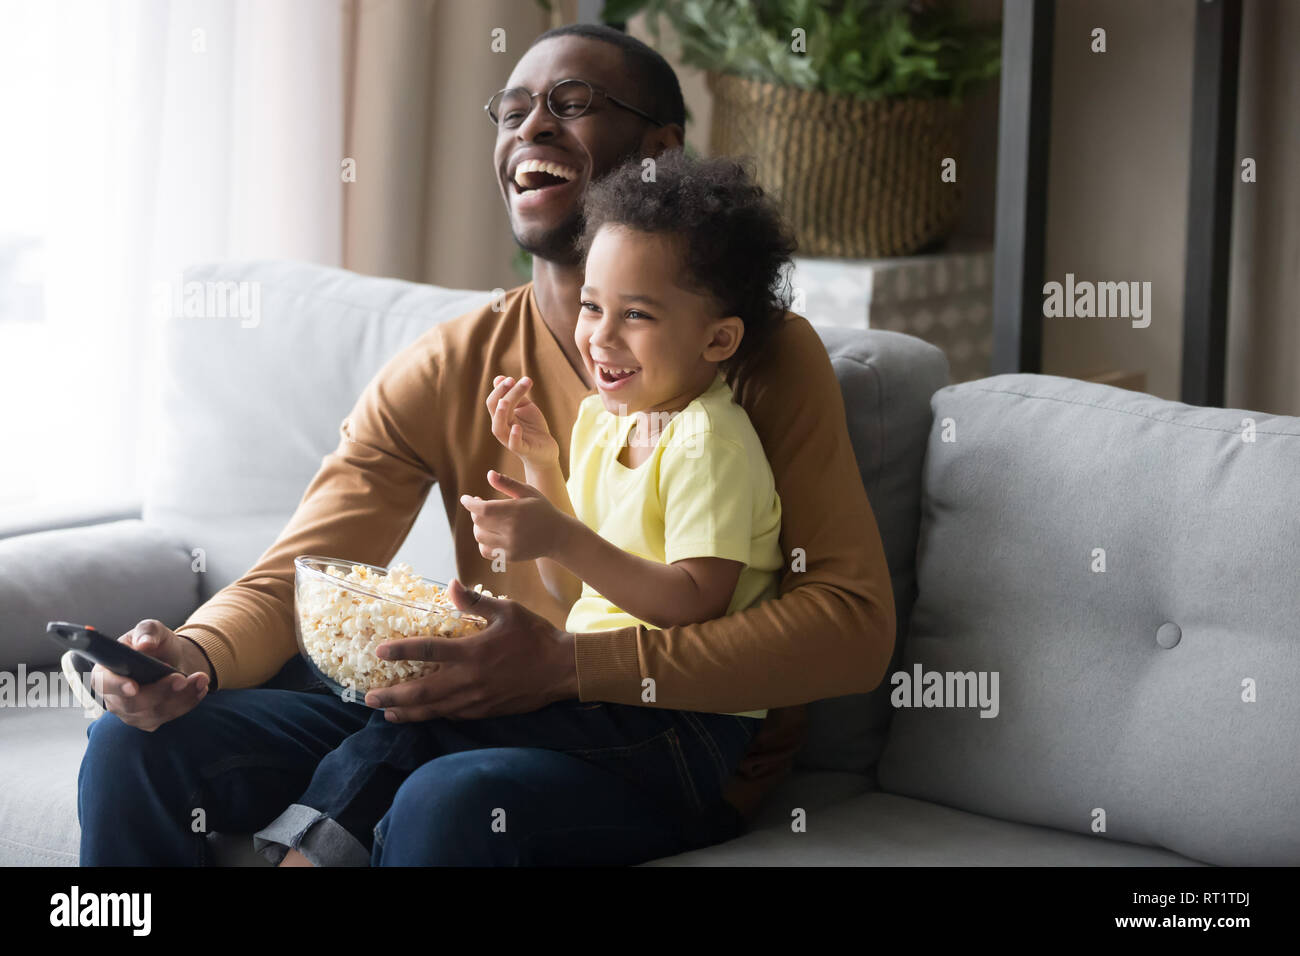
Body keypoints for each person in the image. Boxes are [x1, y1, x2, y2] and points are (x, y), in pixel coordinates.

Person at [77, 23, 895, 867]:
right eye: (511, 109)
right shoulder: (449, 364)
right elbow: (303, 573)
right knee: (137, 746)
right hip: (464, 712)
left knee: (449, 800)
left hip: (649, 743)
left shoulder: (758, 355)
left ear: (659, 149)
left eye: (572, 104)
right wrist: (188, 656)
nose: (530, 127)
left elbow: (852, 629)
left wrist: (568, 666)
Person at [246, 151, 790, 865]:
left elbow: (693, 603)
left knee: (420, 731)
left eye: (637, 316)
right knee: (412, 716)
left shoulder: (708, 443)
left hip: (681, 721)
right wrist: (541, 464)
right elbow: (576, 594)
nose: (600, 334)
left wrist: (560, 535)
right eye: (594, 306)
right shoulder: (605, 419)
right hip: (599, 689)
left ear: (717, 338)